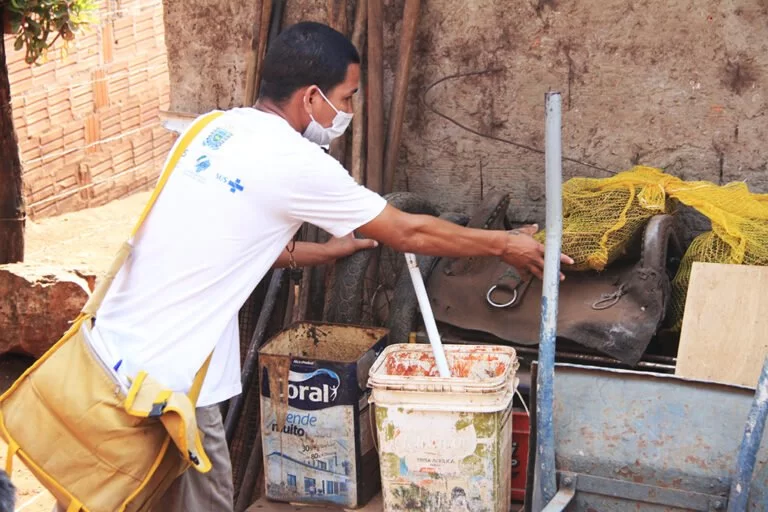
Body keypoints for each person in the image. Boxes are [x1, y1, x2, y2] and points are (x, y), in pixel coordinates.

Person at [56, 21, 571, 511]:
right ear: (310, 97)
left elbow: (232, 247)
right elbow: (409, 231)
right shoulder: (296, 161)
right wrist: (504, 245)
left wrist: (330, 252)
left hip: (100, 363)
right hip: (170, 390)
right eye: (345, 98)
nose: (345, 112)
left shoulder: (210, 130)